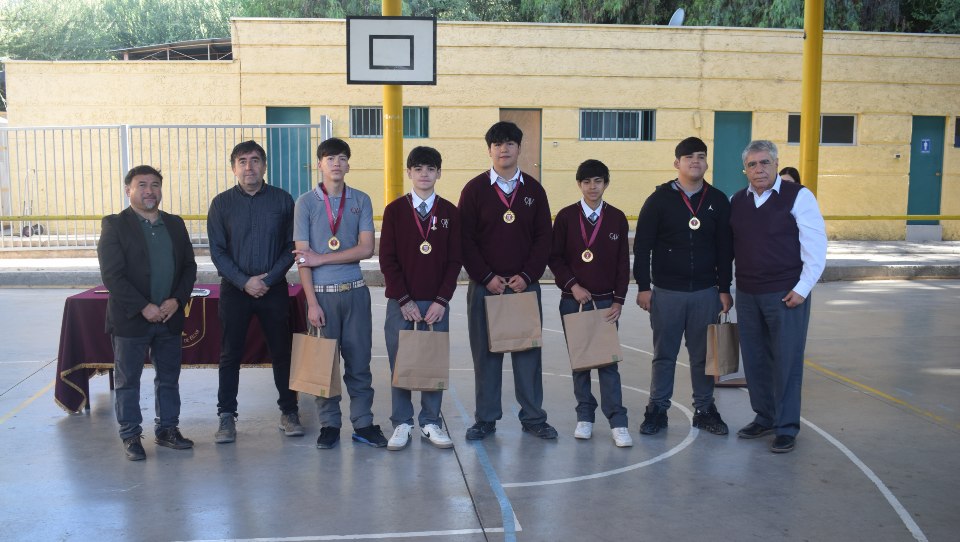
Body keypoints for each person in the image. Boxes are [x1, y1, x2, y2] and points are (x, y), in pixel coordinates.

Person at [458, 121, 557, 440]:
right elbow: (465, 240)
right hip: (485, 287)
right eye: (498, 144)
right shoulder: (474, 190)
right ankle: (486, 419)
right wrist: (486, 276)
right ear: (489, 150)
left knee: (527, 355)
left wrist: (527, 276)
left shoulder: (534, 190)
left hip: (523, 287)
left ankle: (533, 418)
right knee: (485, 356)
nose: (504, 149)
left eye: (510, 143)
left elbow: (544, 238)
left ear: (519, 148)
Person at [633, 137, 734, 437]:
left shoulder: (718, 200)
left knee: (703, 357)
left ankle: (704, 410)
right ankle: (657, 409)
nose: (695, 161)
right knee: (664, 355)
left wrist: (724, 288)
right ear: (677, 163)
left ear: (706, 163)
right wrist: (643, 286)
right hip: (667, 292)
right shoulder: (659, 200)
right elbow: (642, 247)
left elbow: (725, 249)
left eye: (701, 156)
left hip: (705, 292)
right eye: (689, 157)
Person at [730, 140, 827, 453]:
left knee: (786, 361)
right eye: (752, 164)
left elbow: (816, 246)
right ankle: (765, 417)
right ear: (745, 170)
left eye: (765, 163)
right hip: (747, 294)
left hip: (785, 294)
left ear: (775, 164)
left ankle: (786, 427)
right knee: (755, 361)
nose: (759, 169)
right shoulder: (737, 201)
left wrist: (802, 289)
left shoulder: (799, 196)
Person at [97, 165, 198, 461]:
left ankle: (167, 430)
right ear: (128, 190)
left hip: (169, 316)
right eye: (142, 185)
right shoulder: (115, 225)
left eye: (155, 184)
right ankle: (130, 435)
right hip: (131, 319)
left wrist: (176, 300)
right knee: (128, 381)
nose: (149, 191)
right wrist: (144, 306)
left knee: (168, 378)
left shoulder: (175, 224)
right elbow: (112, 275)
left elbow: (189, 267)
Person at [292, 137, 385, 449]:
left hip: (355, 292)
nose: (336, 163)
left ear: (348, 165)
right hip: (322, 296)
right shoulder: (305, 203)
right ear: (319, 164)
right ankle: (329, 424)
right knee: (324, 366)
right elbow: (303, 258)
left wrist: (321, 258)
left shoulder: (361, 199)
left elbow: (366, 248)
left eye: (342, 158)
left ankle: (363, 423)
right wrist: (311, 303)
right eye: (330, 158)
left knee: (359, 364)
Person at [208, 140, 301, 443]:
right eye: (243, 161)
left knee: (281, 352)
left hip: (273, 290)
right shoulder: (221, 204)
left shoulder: (282, 200)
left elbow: (291, 246)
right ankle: (226, 416)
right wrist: (245, 281)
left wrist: (269, 279)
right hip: (235, 290)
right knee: (230, 354)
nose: (249, 167)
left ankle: (289, 412)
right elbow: (218, 251)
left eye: (255, 160)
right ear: (233, 168)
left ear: (264, 165)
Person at [379, 146, 461, 451]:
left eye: (430, 169)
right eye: (418, 169)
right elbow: (387, 259)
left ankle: (430, 421)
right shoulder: (395, 211)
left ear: (439, 173)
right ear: (409, 173)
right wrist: (404, 300)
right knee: (399, 363)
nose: (424, 174)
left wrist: (441, 301)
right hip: (401, 304)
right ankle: (402, 422)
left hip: (436, 305)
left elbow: (455, 260)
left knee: (432, 363)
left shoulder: (450, 212)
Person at [548, 159, 632, 447]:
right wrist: (573, 286)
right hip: (574, 302)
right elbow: (555, 258)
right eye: (586, 182)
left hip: (606, 302)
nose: (592, 187)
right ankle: (585, 417)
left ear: (606, 183)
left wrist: (619, 300)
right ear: (579, 184)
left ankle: (618, 422)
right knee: (580, 363)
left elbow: (623, 263)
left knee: (608, 364)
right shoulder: (566, 217)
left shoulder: (617, 217)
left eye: (598, 181)